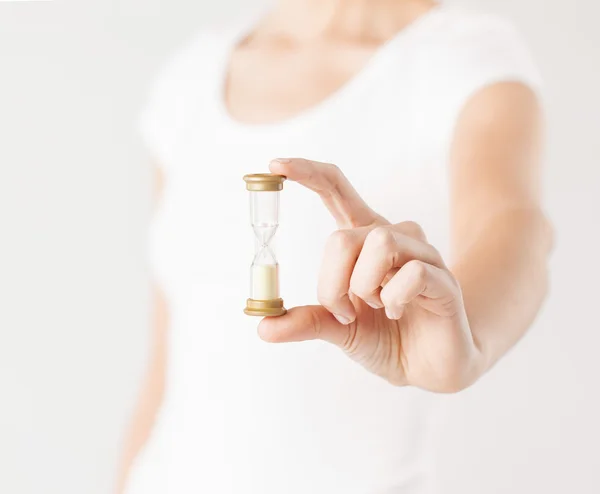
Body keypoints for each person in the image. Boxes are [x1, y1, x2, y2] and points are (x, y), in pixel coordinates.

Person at [118, 0, 553, 492]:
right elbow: (167, 367)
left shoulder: (458, 53)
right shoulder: (192, 75)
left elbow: (514, 226)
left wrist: (472, 337)